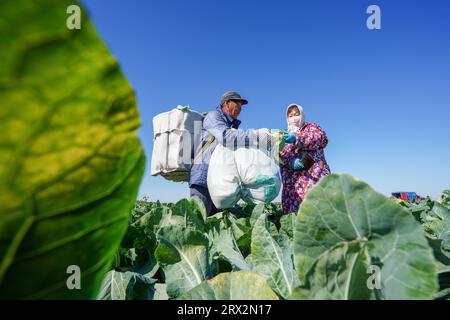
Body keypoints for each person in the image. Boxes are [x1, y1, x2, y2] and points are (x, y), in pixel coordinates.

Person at [189, 91, 272, 215]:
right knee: (199, 221)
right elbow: (226, 137)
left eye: (241, 105)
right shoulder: (213, 116)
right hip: (202, 178)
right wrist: (256, 135)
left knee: (216, 224)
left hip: (218, 180)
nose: (240, 108)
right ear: (226, 103)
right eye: (237, 103)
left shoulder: (231, 125)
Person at [279, 103, 330, 215]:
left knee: (317, 211)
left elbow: (319, 139)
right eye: (290, 115)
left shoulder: (311, 128)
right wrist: (290, 163)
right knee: (294, 219)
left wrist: (297, 138)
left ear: (302, 115)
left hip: (313, 177)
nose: (293, 118)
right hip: (292, 186)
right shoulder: (284, 136)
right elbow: (280, 155)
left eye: (296, 114)